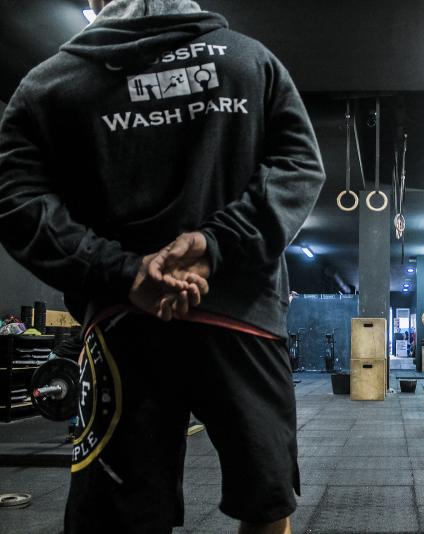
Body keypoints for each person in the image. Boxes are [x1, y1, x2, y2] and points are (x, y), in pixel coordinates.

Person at [0, 1, 325, 533]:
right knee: (266, 502)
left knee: (117, 518)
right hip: (241, 315)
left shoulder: (49, 84)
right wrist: (215, 246)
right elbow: (299, 167)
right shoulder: (249, 61)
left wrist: (124, 272)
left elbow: (16, 203)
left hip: (121, 320)